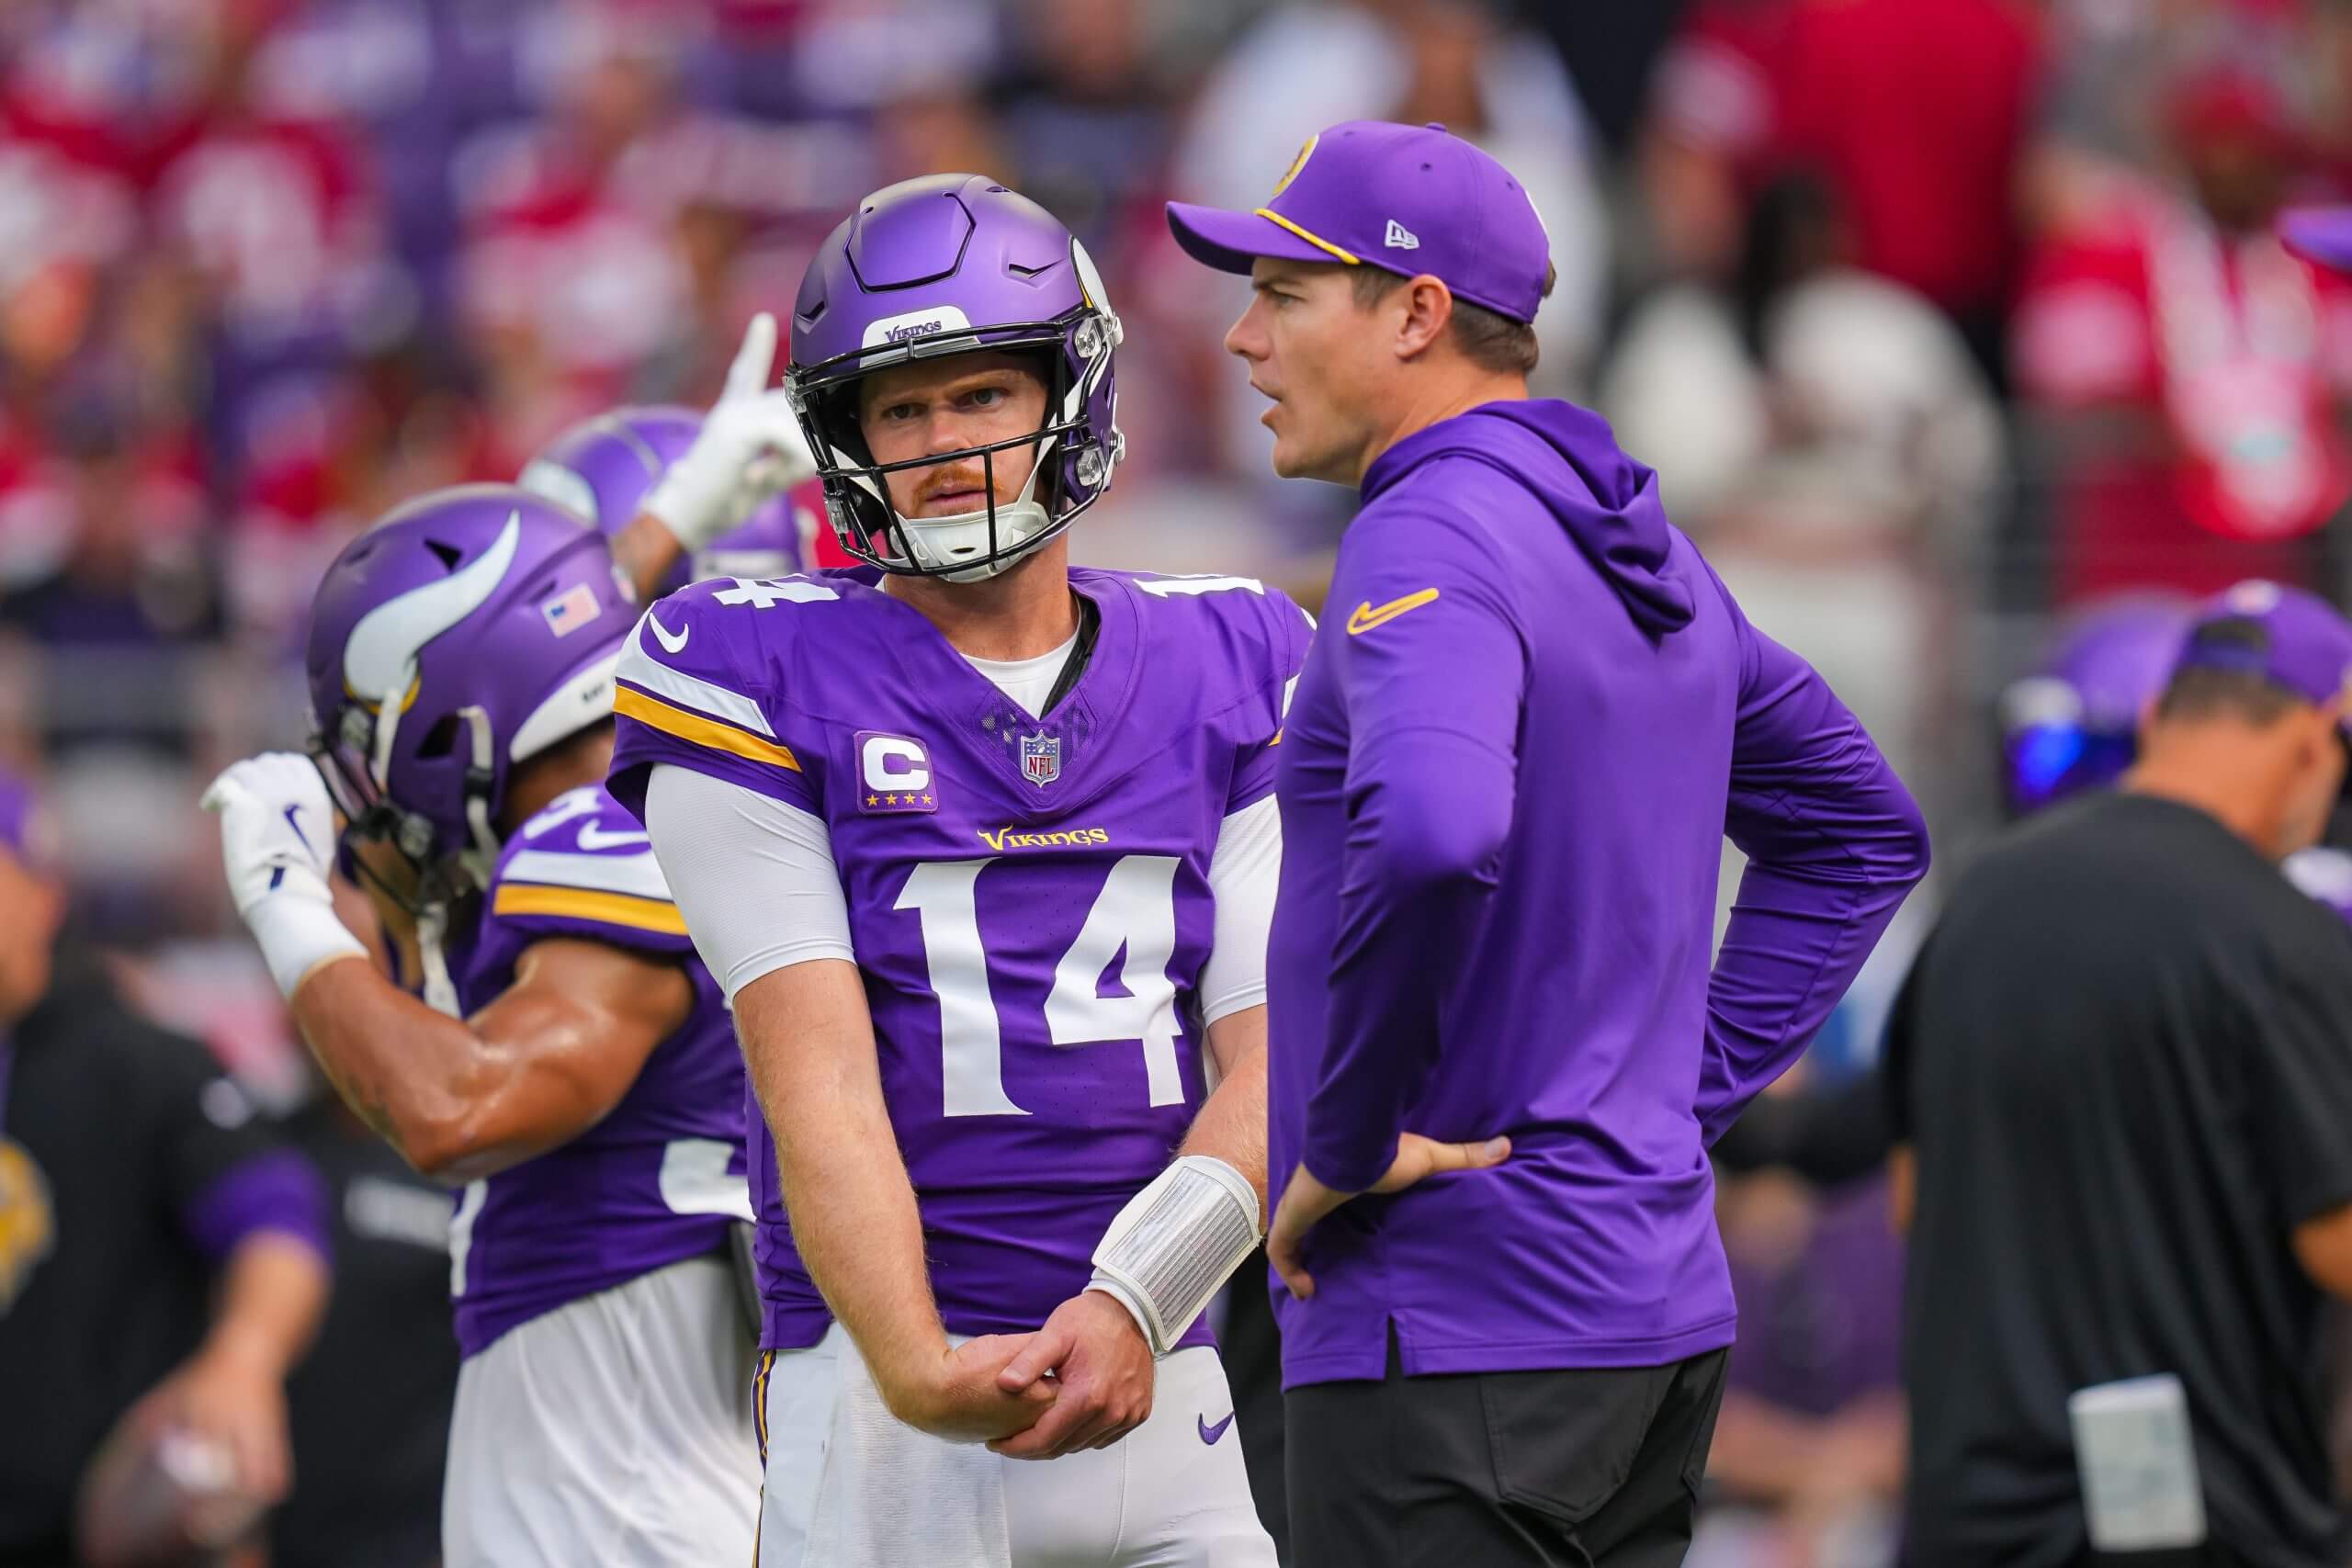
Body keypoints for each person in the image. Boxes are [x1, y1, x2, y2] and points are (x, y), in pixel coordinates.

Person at [1164, 118, 1931, 1566]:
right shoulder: (1636, 541)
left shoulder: (1429, 530)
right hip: (1647, 1321)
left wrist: (1345, 1130)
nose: (1244, 339)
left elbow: (1440, 830)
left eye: (1281, 292)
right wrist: (1665, 1094)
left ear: (1415, 312)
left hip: (1453, 1328)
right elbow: (1860, 831)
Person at [607, 174, 1359, 1567]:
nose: (944, 442)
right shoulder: (751, 668)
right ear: (845, 437)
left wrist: (1140, 1292)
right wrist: (912, 1360)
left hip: (1166, 1376)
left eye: (981, 397)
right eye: (902, 408)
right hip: (887, 1393)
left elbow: (1277, 1056)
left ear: (1064, 397)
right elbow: (813, 1064)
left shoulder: (1237, 654)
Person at [199, 490, 759, 1567]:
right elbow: (529, 639)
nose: (367, 780)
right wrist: (665, 515)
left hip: (624, 1510)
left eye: (374, 727)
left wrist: (287, 899)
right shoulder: (672, 803)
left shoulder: (600, 835)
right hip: (657, 1477)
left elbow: (458, 1107)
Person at [1885, 580, 2352, 1567]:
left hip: (1972, 1525)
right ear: (2316, 740)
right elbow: (2339, 1240)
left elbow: (1908, 1195)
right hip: (2199, 1527)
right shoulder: (2282, 936)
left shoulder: (1979, 900)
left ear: (2154, 718)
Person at [0, 765, 332, 1564]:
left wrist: (241, 1357)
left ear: (42, 895)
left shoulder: (134, 1061)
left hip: (91, 1532)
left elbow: (276, 1215)